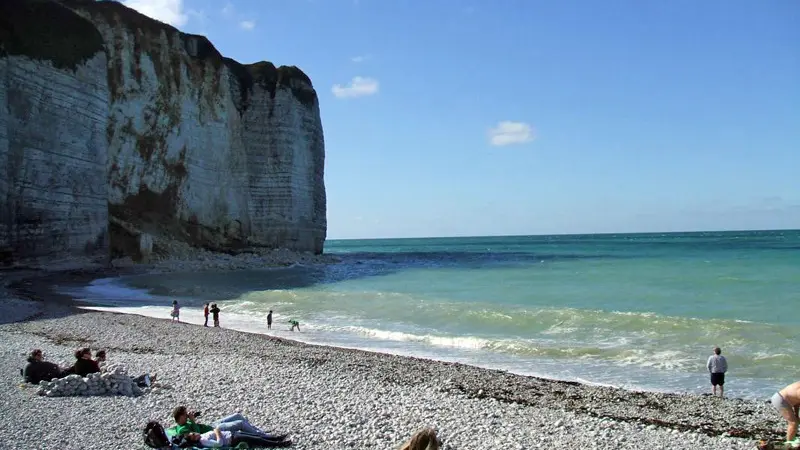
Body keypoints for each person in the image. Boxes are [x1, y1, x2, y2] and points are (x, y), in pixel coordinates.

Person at [171, 407, 284, 441]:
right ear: (181, 417)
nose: (187, 415)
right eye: (185, 414)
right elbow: (198, 434)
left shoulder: (184, 423)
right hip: (215, 430)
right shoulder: (182, 430)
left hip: (212, 425)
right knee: (240, 423)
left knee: (237, 415)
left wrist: (192, 419)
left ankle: (259, 432)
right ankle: (265, 437)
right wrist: (193, 421)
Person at [183, 428, 292, 448]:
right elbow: (219, 444)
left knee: (257, 436)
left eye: (193, 433)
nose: (195, 433)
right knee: (258, 440)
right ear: (193, 440)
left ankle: (277, 438)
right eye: (193, 435)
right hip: (233, 439)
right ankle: (279, 444)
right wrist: (217, 432)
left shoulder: (202, 436)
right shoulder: (203, 441)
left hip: (232, 434)